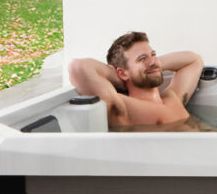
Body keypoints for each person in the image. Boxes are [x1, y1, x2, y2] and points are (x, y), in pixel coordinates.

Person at [68, 31, 203, 128]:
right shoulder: (123, 108)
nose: (153, 61)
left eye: (153, 54)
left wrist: (153, 65)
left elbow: (194, 60)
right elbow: (78, 67)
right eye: (142, 59)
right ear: (122, 73)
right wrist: (121, 76)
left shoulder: (173, 97)